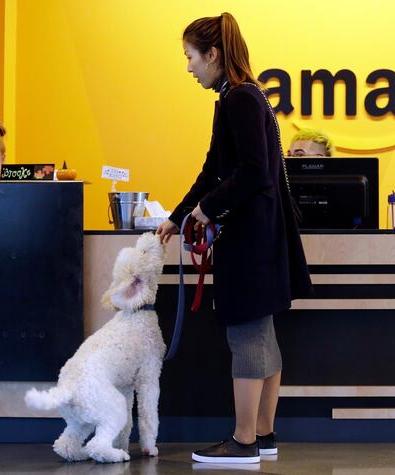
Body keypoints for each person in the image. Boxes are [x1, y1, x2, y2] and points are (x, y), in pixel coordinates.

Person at [156, 12, 313, 464]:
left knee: (246, 336)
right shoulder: (239, 96)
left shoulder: (239, 99)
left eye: (190, 57)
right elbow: (213, 169)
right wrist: (179, 215)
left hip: (250, 241)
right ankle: (263, 435)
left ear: (213, 55)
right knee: (262, 337)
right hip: (261, 238)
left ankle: (243, 442)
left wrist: (206, 209)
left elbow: (252, 172)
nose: (188, 67)